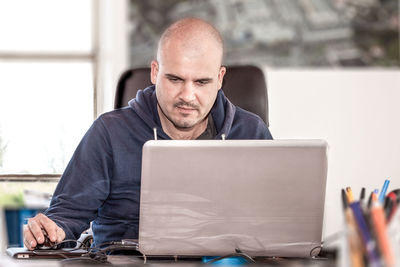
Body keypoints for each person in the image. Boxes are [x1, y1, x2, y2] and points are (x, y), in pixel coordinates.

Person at [23, 17, 272, 250]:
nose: (187, 95)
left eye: (201, 82)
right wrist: (48, 232)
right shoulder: (110, 133)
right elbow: (66, 216)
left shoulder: (250, 132)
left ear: (219, 78)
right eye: (175, 79)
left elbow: (281, 220)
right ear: (155, 72)